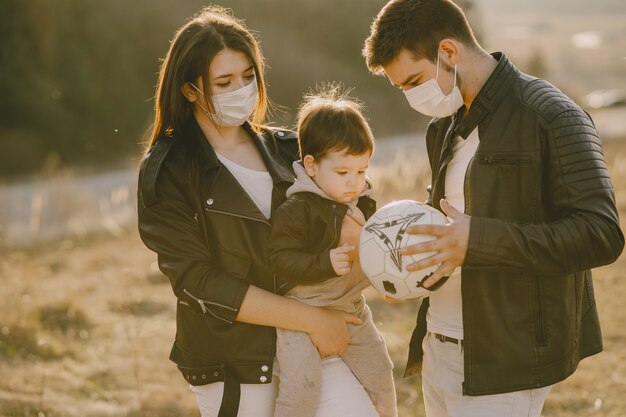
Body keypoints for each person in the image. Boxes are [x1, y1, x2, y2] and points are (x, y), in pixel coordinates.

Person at [362, 1, 624, 416]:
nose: (413, 97)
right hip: (437, 347)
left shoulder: (551, 115)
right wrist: (410, 275)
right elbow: (454, 229)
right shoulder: (443, 125)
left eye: (413, 80)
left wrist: (477, 241)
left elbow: (601, 234)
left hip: (507, 363)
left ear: (448, 52)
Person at [137, 6, 379, 417]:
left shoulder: (290, 150)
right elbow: (198, 282)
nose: (241, 90)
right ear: (189, 89)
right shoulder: (168, 171)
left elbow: (345, 211)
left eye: (248, 77)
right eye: (224, 81)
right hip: (237, 359)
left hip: (317, 341)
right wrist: (309, 319)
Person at [268, 86, 398, 417]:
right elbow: (279, 260)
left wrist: (392, 280)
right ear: (311, 166)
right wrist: (323, 262)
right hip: (301, 311)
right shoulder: (298, 208)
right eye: (343, 173)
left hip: (351, 306)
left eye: (361, 171)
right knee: (301, 389)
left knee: (380, 371)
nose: (354, 182)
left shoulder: (364, 205)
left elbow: (378, 252)